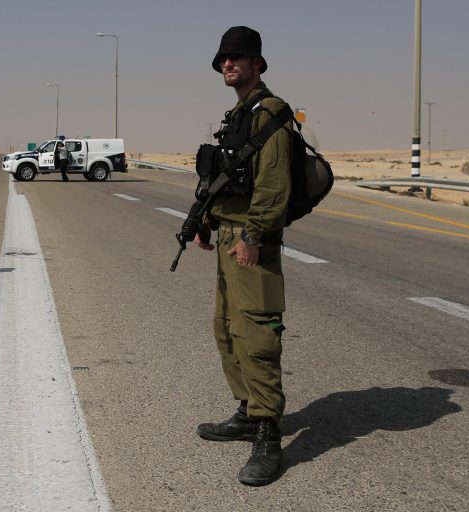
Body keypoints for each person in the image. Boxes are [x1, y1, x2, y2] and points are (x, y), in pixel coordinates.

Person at [194, 26, 293, 486]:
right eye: (222, 59)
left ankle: (269, 432)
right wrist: (206, 220)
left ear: (257, 63)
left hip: (252, 241)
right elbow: (230, 178)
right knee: (227, 329)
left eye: (236, 58)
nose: (227, 64)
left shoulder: (270, 113)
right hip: (230, 239)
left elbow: (273, 184)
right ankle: (248, 412)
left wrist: (252, 235)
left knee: (257, 334)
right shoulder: (239, 113)